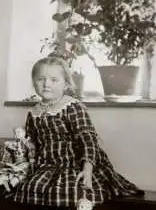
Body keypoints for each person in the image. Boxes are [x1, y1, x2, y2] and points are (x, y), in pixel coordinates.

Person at [9, 56, 142, 209]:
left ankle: (85, 200)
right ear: (34, 82)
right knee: (30, 187)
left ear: (65, 84)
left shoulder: (71, 107)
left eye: (54, 80)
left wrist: (87, 169)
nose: (46, 84)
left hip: (74, 164)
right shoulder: (34, 113)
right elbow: (32, 144)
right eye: (40, 79)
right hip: (47, 165)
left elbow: (88, 139)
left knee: (71, 190)